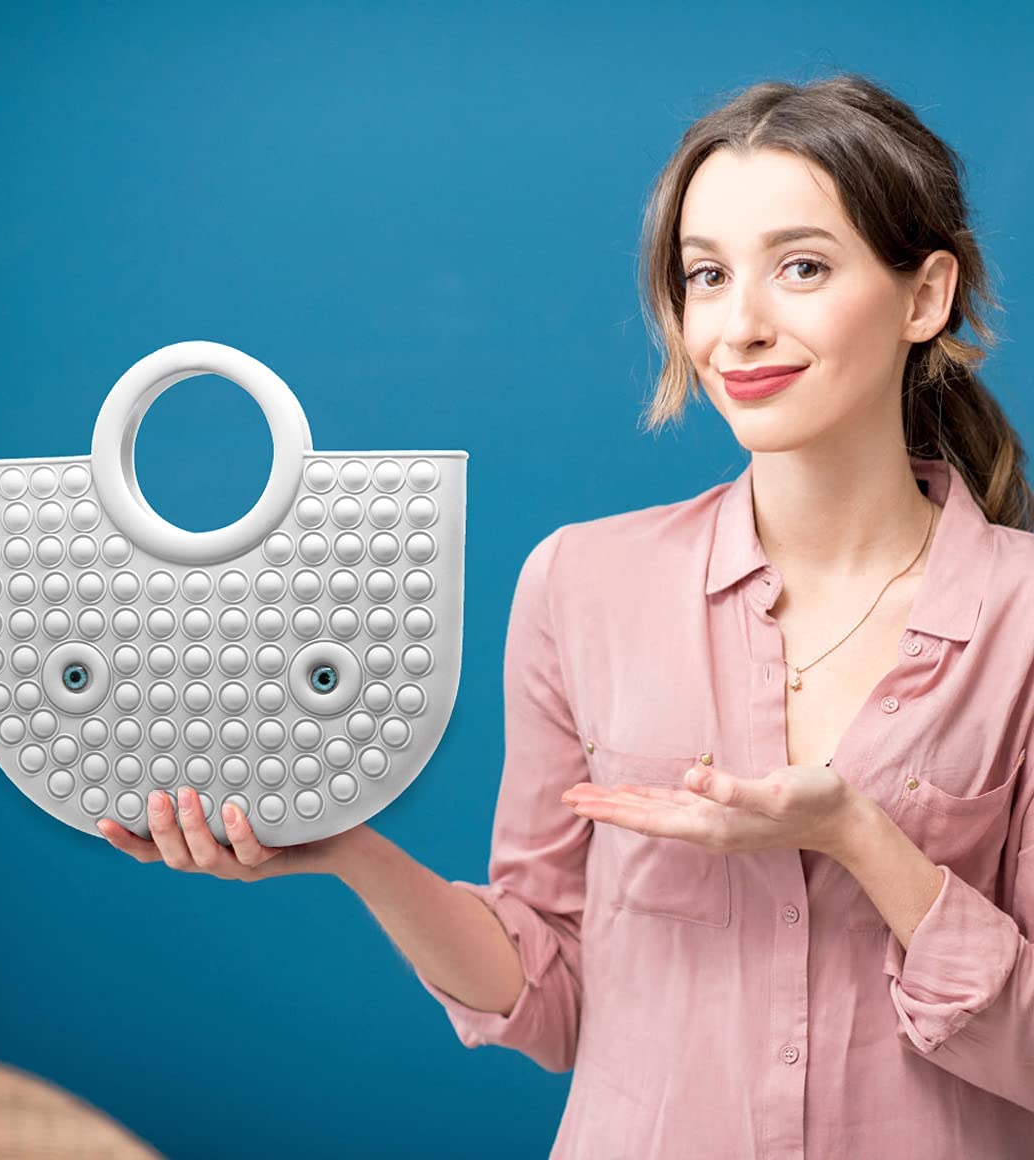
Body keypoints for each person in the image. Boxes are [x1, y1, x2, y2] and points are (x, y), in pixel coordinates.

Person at [98, 72, 1034, 1158]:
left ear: (923, 296)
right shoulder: (580, 585)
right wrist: (348, 846)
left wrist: (856, 834)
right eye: (704, 276)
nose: (739, 325)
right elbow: (549, 995)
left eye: (802, 267)